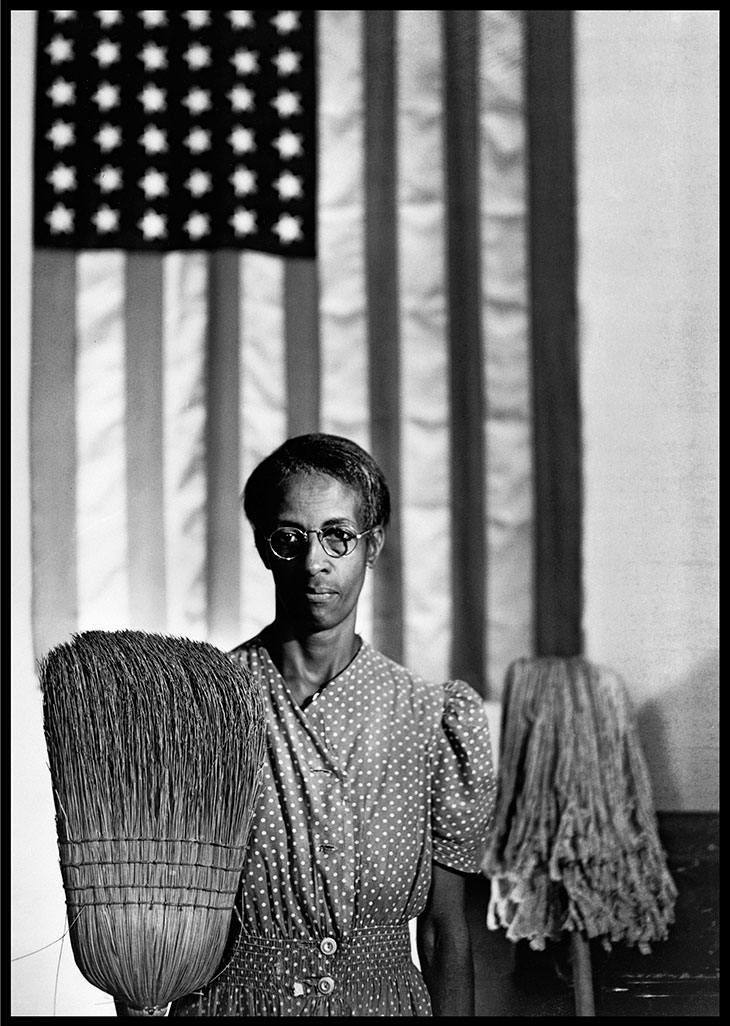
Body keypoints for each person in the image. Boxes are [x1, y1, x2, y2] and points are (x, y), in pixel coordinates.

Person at [170, 433, 496, 1017]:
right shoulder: (205, 706)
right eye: (290, 538)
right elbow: (158, 915)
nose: (315, 561)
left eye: (338, 536)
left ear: (373, 545)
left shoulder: (428, 717)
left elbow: (445, 934)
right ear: (265, 549)